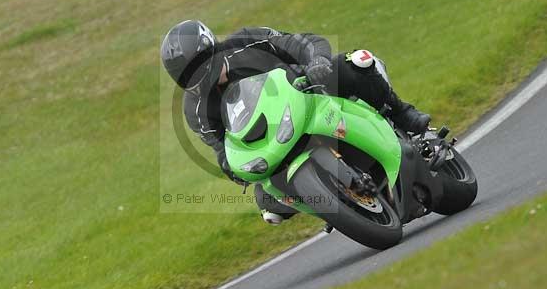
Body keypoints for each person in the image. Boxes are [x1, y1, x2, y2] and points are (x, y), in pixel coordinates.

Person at [160, 20, 431, 225]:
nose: (195, 77)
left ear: (212, 50)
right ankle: (335, 203)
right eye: (185, 75)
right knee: (268, 204)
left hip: (309, 95)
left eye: (197, 66)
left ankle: (400, 112)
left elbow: (303, 43)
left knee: (356, 63)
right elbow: (222, 149)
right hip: (274, 143)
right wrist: (233, 169)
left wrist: (317, 62)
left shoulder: (247, 40)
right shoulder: (194, 109)